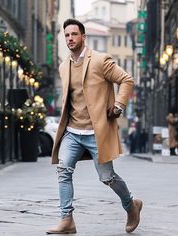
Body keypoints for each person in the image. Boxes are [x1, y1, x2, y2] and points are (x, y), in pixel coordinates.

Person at [46, 19, 142, 234]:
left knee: (107, 177)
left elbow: (126, 80)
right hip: (72, 131)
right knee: (63, 170)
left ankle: (131, 205)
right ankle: (67, 219)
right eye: (67, 35)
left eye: (74, 34)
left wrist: (118, 105)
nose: (70, 38)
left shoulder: (100, 60)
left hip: (96, 132)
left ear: (83, 37)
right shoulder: (64, 66)